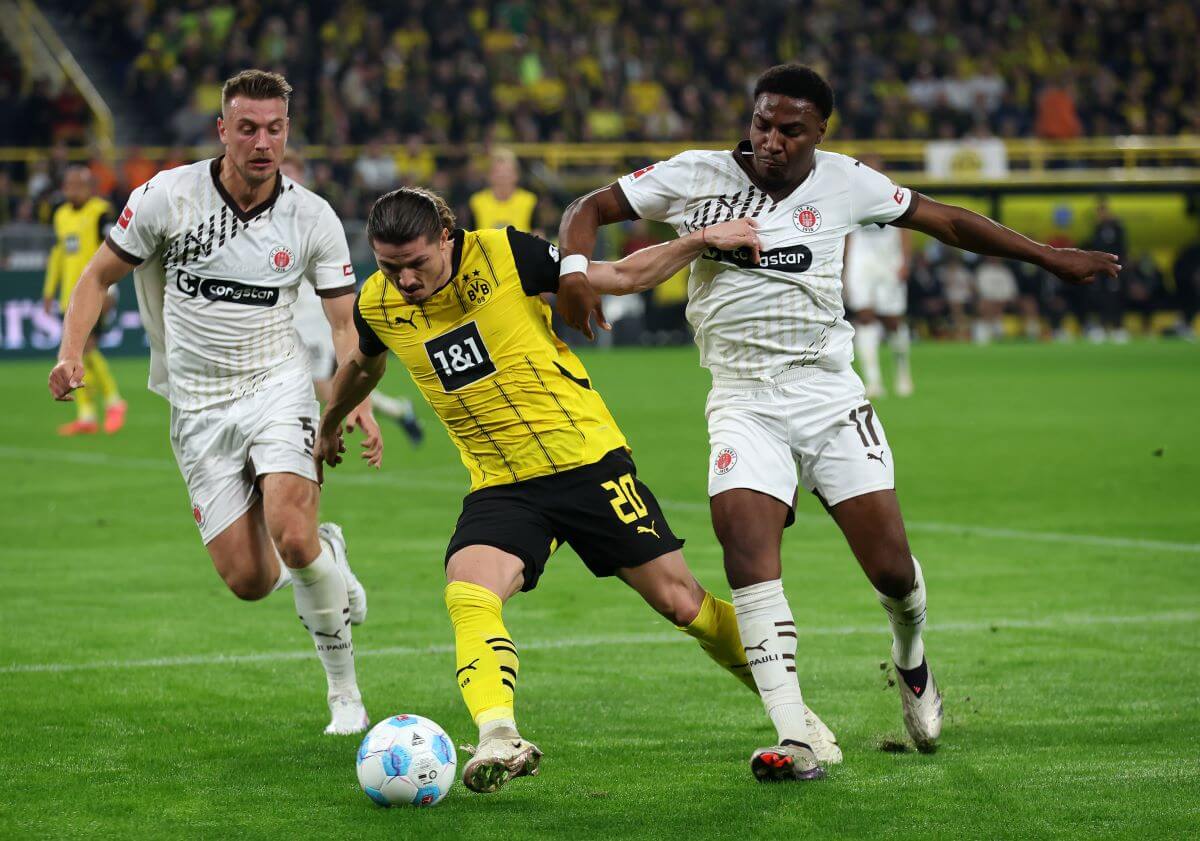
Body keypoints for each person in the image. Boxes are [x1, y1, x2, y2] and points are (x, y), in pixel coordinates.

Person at [557, 63, 1120, 780]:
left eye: (791, 130)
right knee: (743, 544)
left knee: (892, 571)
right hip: (741, 398)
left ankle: (911, 660)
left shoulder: (846, 181)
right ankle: (795, 735)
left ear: (821, 131)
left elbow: (946, 220)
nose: (772, 140)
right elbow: (590, 206)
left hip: (827, 394)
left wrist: (1048, 257)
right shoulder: (695, 174)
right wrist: (573, 269)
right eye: (762, 123)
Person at [314, 187, 842, 792]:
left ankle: (794, 712)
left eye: (416, 263)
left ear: (445, 237)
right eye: (390, 267)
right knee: (468, 590)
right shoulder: (378, 303)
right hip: (502, 482)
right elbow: (363, 365)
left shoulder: (505, 254)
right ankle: (498, 735)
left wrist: (699, 241)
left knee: (681, 603)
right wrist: (330, 424)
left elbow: (618, 275)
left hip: (585, 461)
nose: (405, 280)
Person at [47, 70, 380, 736]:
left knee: (290, 531)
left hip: (278, 385)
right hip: (196, 405)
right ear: (222, 130)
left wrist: (354, 399)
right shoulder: (167, 197)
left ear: (288, 131)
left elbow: (345, 325)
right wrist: (70, 350)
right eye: (248, 128)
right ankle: (327, 555)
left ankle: (345, 694)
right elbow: (96, 276)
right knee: (249, 579)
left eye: (275, 129)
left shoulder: (312, 216)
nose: (262, 142)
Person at [279, 153, 424, 446]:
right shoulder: (268, 220)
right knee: (332, 381)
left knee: (323, 385)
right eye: (282, 175)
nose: (286, 181)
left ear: (302, 178)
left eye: (292, 174)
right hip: (289, 315)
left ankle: (318, 438)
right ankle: (397, 410)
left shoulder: (314, 218)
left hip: (315, 314)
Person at [42, 166, 127, 435]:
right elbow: (59, 254)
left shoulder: (101, 212)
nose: (73, 190)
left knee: (86, 349)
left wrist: (111, 290)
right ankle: (87, 415)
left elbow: (115, 252)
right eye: (69, 185)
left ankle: (114, 400)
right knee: (77, 356)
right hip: (69, 296)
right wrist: (49, 290)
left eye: (79, 185)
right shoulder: (61, 215)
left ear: (91, 187)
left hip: (95, 294)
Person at [842, 157, 914, 397]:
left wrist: (905, 261)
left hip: (889, 262)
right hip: (860, 263)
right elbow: (846, 233)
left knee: (893, 320)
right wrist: (843, 268)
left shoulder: (894, 192)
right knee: (864, 316)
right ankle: (873, 380)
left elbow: (906, 230)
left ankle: (902, 371)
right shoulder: (848, 195)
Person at [468, 148, 539, 232]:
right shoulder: (477, 202)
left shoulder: (529, 201)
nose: (503, 176)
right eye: (498, 172)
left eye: (507, 172)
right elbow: (470, 235)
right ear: (489, 176)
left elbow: (538, 233)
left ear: (516, 175)